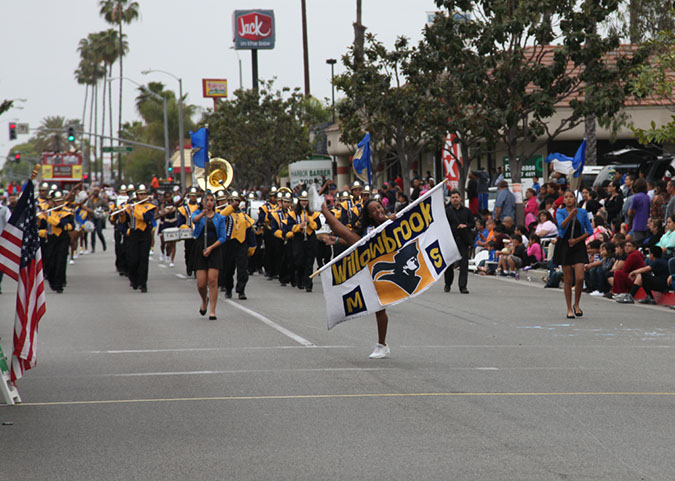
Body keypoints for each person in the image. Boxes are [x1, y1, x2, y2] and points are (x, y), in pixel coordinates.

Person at [319, 180, 397, 359]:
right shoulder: (369, 229)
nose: (378, 211)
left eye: (379, 207)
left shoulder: (393, 221)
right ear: (369, 216)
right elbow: (352, 239)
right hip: (373, 269)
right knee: (379, 307)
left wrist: (394, 220)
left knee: (380, 306)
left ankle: (381, 344)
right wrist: (336, 240)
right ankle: (382, 345)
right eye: (373, 210)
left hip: (393, 266)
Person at [552, 190, 593, 319]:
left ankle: (577, 304)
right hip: (564, 245)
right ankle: (569, 308)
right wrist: (570, 216)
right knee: (568, 279)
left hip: (578, 245)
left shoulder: (582, 212)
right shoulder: (560, 212)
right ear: (564, 200)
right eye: (566, 197)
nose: (569, 199)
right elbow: (561, 226)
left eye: (571, 197)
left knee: (580, 277)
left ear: (575, 199)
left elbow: (589, 231)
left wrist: (577, 240)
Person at [192, 191, 228, 320]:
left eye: (212, 200)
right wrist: (203, 213)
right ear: (202, 201)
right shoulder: (198, 214)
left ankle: (212, 311)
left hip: (214, 249)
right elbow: (194, 220)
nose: (209, 202)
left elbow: (223, 237)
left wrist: (211, 248)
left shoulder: (220, 218)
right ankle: (204, 300)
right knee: (201, 284)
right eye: (207, 200)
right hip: (200, 248)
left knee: (213, 281)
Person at [219, 192, 257, 300]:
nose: (235, 203)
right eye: (232, 201)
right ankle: (228, 288)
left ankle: (241, 290)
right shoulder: (225, 213)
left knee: (242, 269)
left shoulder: (244, 216)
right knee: (228, 269)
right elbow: (221, 216)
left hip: (241, 244)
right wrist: (231, 207)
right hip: (228, 243)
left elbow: (250, 231)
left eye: (237, 201)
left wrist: (252, 246)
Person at [286, 190, 322, 292]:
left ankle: (308, 284)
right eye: (302, 201)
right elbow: (290, 227)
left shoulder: (314, 213)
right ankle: (300, 280)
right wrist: (299, 227)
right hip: (298, 238)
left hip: (310, 238)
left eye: (306, 201)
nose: (304, 203)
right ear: (299, 201)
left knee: (309, 262)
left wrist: (310, 222)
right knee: (299, 261)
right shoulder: (293, 213)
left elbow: (318, 226)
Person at [126, 185, 156, 293]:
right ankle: (134, 280)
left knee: (144, 259)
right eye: (140, 194)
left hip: (144, 234)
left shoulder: (150, 207)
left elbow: (145, 217)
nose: (143, 196)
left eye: (144, 194)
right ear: (137, 196)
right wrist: (122, 214)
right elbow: (125, 220)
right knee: (133, 259)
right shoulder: (132, 206)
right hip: (134, 234)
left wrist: (134, 210)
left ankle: (143, 283)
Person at [45, 191, 75, 293]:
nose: (59, 204)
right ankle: (52, 280)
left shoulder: (67, 212)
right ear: (53, 202)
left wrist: (48, 218)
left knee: (60, 261)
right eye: (57, 202)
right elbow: (41, 225)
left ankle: (59, 284)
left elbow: (62, 224)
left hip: (62, 238)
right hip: (51, 238)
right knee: (50, 261)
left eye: (61, 201)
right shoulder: (47, 212)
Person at [444, 190, 473, 294]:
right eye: (452, 197)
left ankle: (463, 286)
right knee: (449, 264)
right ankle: (447, 283)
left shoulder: (467, 211)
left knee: (464, 264)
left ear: (460, 198)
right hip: (451, 240)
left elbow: (472, 224)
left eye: (456, 197)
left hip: (463, 240)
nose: (454, 199)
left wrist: (466, 226)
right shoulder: (447, 211)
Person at [178, 187, 200, 277]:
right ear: (189, 196)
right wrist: (185, 227)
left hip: (198, 231)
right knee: (188, 251)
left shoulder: (200, 207)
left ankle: (196, 269)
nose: (193, 198)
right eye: (192, 196)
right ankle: (189, 267)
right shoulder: (184, 208)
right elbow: (180, 222)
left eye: (195, 196)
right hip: (188, 231)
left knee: (197, 251)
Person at [84, 186, 110, 252]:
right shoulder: (90, 200)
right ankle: (93, 248)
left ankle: (104, 244)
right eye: (95, 191)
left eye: (97, 191)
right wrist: (88, 218)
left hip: (99, 218)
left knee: (99, 232)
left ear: (99, 192)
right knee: (92, 233)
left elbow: (107, 207)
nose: (96, 192)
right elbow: (87, 208)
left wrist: (101, 210)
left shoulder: (102, 200)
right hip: (92, 217)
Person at [627, 178, 651, 243]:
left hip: (637, 224)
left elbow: (630, 212)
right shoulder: (647, 197)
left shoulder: (636, 197)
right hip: (646, 224)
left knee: (637, 243)